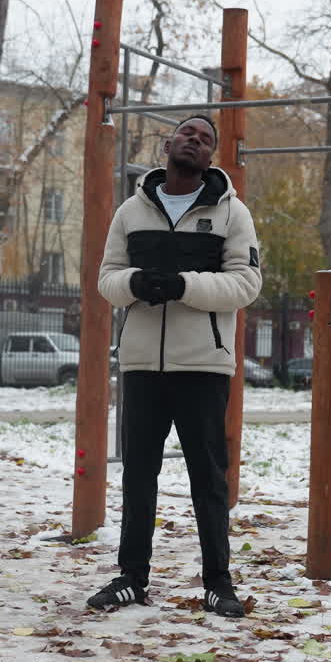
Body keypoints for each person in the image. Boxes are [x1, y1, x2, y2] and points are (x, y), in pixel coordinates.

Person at [89, 114, 262, 618]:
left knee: (208, 477)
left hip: (203, 367)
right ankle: (131, 578)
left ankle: (218, 582)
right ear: (168, 144)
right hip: (142, 365)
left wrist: (184, 286)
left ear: (211, 157)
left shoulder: (232, 214)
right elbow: (107, 278)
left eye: (206, 139)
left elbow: (245, 285)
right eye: (188, 133)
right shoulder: (130, 211)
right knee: (137, 474)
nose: (195, 140)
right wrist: (136, 285)